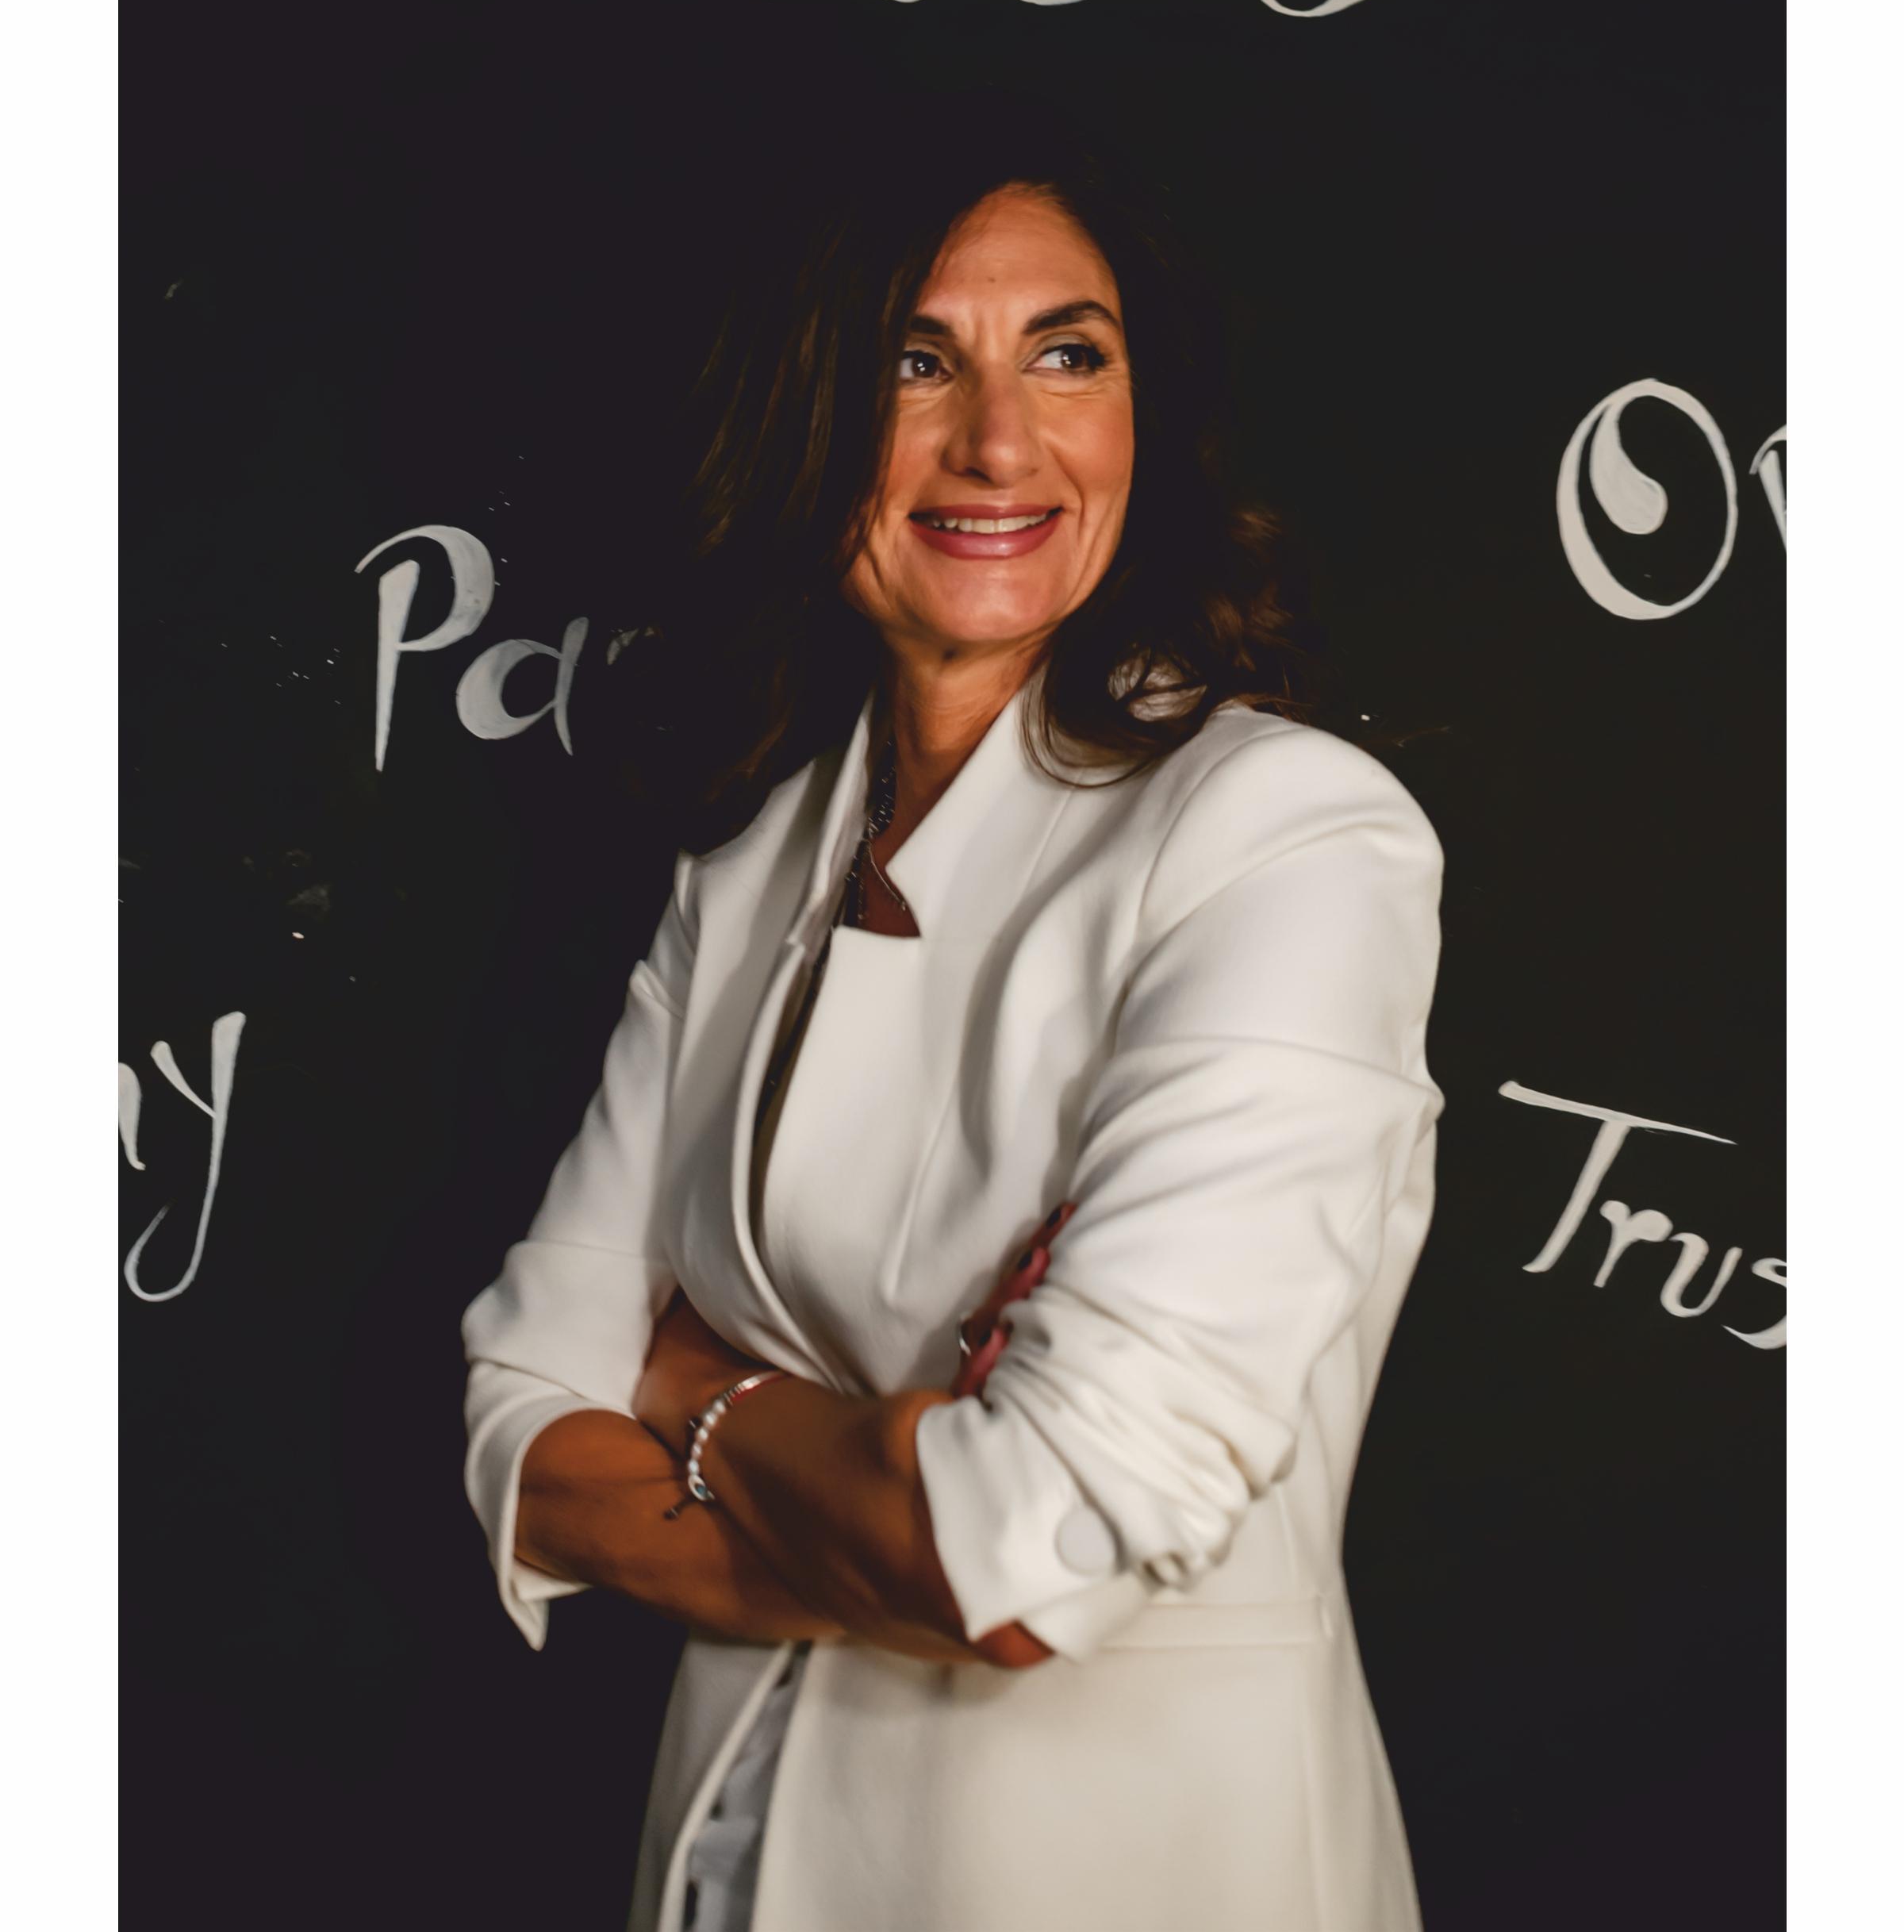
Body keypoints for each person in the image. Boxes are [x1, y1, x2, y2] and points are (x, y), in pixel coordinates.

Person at [460, 100, 1445, 1932]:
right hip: (722, 1859)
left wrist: (694, 1389)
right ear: (805, 409)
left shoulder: (1285, 838)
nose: (998, 439)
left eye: (1069, 354)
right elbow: (522, 1425)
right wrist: (894, 1534)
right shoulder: (756, 850)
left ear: (1144, 414)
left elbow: (1032, 1547)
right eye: (917, 362)